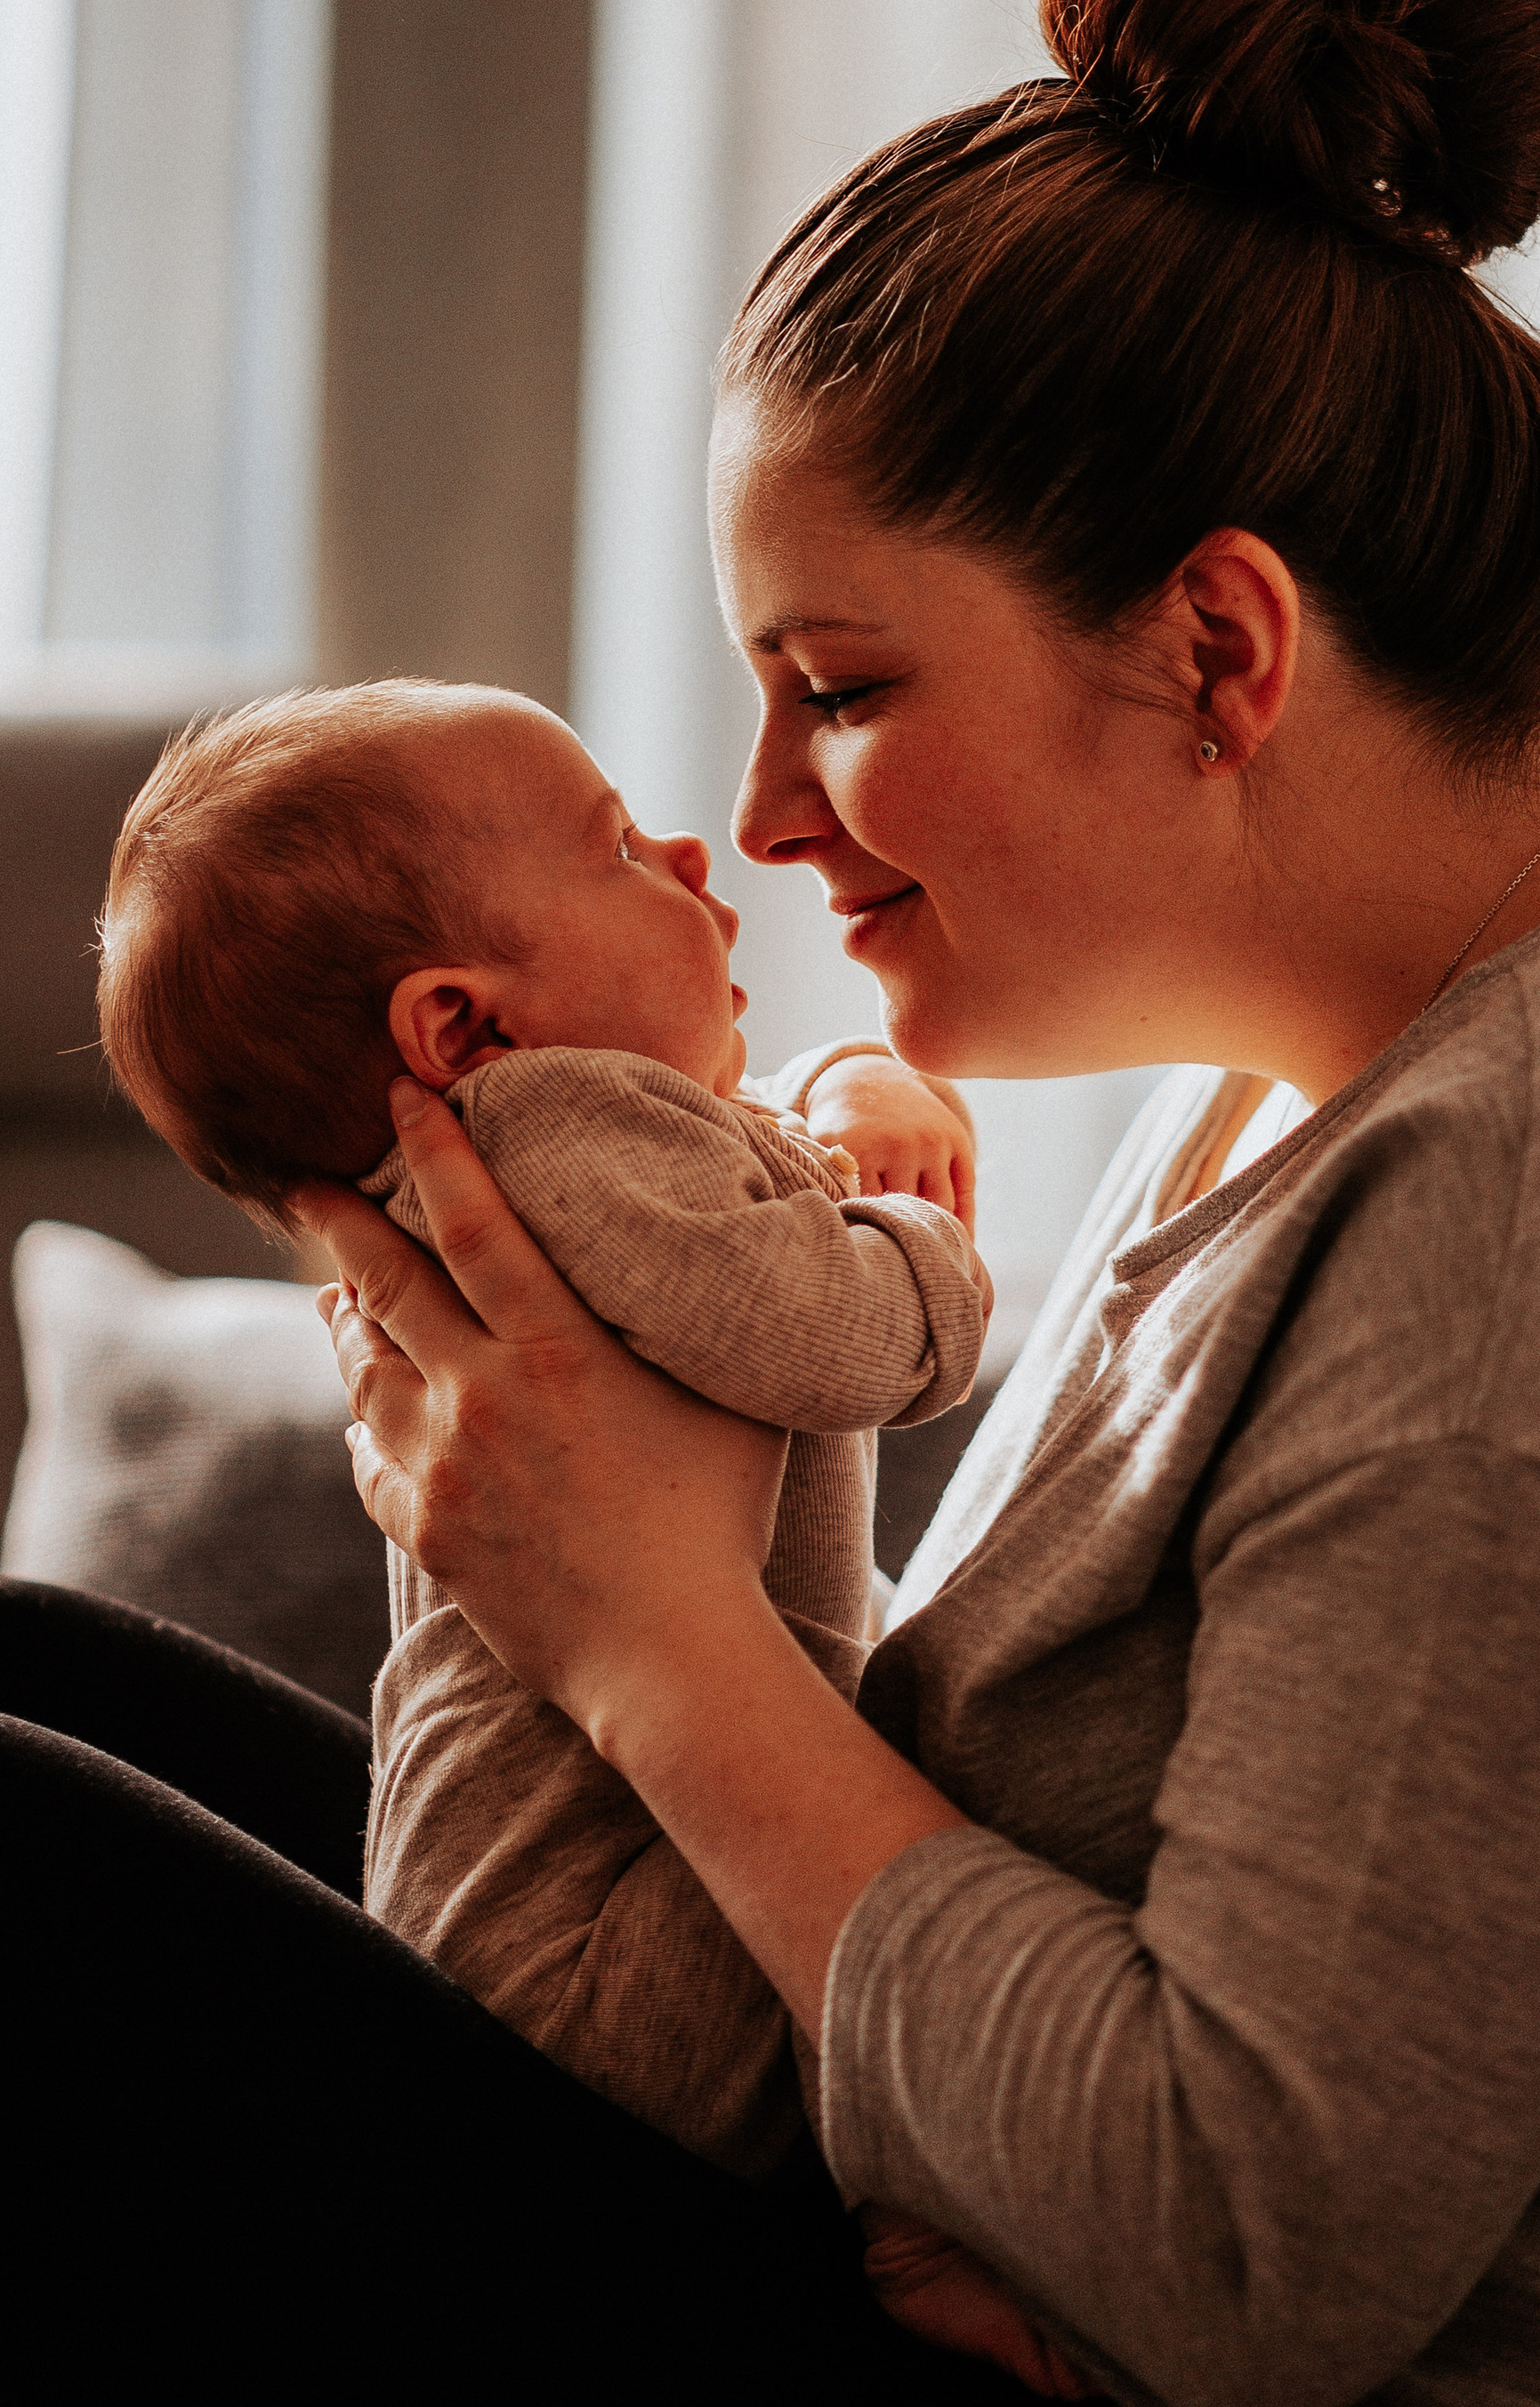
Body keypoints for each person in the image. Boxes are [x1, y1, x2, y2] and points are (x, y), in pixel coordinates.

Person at [0, 0, 1540, 2407]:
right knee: (3, 1683)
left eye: (840, 689)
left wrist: (649, 1633)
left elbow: (1240, 2253)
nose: (758, 822)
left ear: (1221, 647)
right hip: (940, 2240)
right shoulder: (1354, 1052)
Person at [93, 674, 984, 2168]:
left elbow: (744, 1146)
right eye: (620, 848)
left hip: (583, 1872)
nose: (695, 857)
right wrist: (913, 1222)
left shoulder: (564, 1147)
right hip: (587, 1931)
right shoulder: (552, 1135)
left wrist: (844, 1077)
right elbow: (851, 1338)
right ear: (461, 1025)